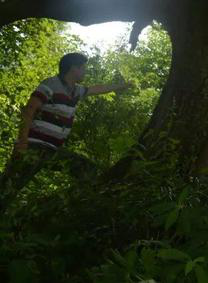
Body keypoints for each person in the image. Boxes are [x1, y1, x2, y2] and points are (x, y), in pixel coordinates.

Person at [0, 53, 132, 212]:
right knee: (7, 188)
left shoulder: (75, 91)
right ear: (73, 68)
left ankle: (58, 210)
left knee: (87, 169)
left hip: (52, 150)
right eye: (83, 68)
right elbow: (29, 110)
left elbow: (98, 88)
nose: (85, 71)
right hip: (33, 147)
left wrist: (122, 85)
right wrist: (22, 141)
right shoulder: (51, 84)